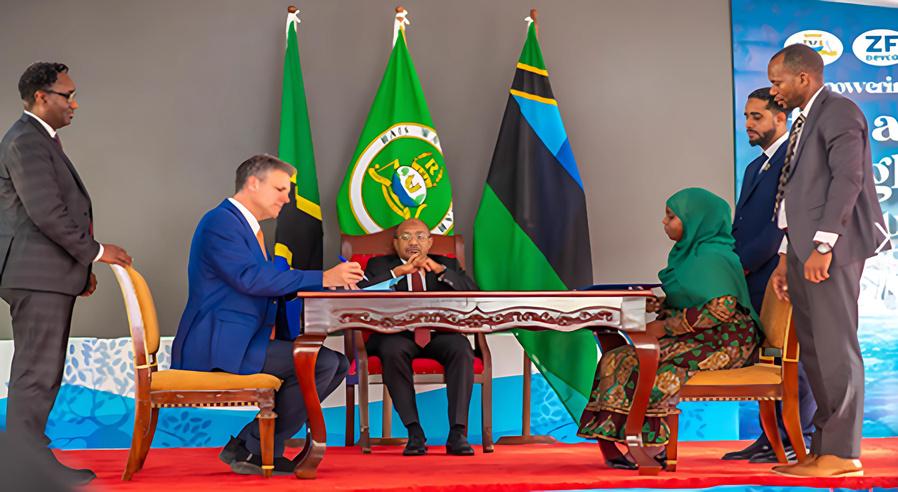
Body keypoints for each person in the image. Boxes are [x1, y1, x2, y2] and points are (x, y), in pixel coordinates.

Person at [171, 154, 363, 475]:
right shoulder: (221, 223)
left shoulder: (244, 227)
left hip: (244, 342)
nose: (287, 199)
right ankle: (253, 448)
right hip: (221, 346)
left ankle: (249, 445)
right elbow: (252, 279)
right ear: (253, 184)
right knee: (325, 363)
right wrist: (323, 278)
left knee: (338, 363)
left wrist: (330, 285)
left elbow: (268, 285)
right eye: (280, 189)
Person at [0, 62, 132, 485]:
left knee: (42, 370)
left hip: (46, 273)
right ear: (41, 97)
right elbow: (46, 212)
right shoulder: (25, 140)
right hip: (35, 274)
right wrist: (95, 253)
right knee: (36, 372)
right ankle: (23, 470)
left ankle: (25, 464)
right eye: (67, 95)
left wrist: (77, 267)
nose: (74, 103)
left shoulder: (40, 140)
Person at [766, 44, 888, 478]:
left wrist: (823, 246)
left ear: (804, 78)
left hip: (829, 251)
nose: (773, 90)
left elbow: (848, 179)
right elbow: (796, 194)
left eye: (778, 81)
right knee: (816, 352)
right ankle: (824, 450)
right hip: (802, 249)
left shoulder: (839, 111)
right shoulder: (805, 119)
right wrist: (786, 255)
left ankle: (844, 453)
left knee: (837, 348)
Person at [578, 188, 760, 470]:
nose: (664, 222)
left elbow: (722, 308)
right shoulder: (689, 255)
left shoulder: (712, 258)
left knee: (652, 364)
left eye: (671, 216)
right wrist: (659, 305)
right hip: (700, 336)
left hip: (727, 342)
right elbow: (694, 299)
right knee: (617, 358)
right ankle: (620, 439)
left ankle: (651, 447)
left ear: (696, 219)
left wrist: (665, 327)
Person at [722, 88, 815, 463]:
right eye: (746, 116)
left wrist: (743, 263)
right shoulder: (753, 166)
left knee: (794, 361)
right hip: (753, 279)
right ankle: (770, 438)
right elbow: (743, 225)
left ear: (782, 118)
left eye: (756, 116)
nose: (748, 123)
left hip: (778, 275)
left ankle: (799, 438)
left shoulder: (792, 163)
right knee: (769, 358)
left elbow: (783, 228)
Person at [357, 218, 479, 456]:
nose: (413, 242)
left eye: (420, 237)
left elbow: (472, 294)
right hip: (396, 334)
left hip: (439, 334)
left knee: (462, 348)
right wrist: (397, 272)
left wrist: (440, 271)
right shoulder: (379, 265)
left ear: (430, 242)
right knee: (392, 350)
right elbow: (362, 292)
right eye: (406, 237)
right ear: (395, 243)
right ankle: (414, 432)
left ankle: (457, 433)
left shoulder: (446, 264)